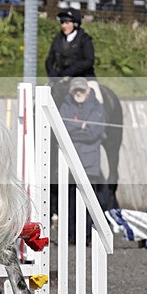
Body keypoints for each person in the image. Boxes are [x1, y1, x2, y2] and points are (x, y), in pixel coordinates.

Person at [60, 77, 107, 244]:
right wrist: (81, 125)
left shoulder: (97, 107)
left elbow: (93, 133)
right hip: (70, 162)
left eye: (81, 90)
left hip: (89, 164)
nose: (78, 93)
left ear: (87, 90)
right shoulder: (65, 106)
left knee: (89, 202)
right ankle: (71, 235)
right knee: (70, 201)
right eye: (75, 90)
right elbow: (61, 130)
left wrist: (73, 128)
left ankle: (88, 236)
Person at [45, 7, 102, 103]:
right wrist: (51, 72)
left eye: (67, 23)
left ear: (75, 24)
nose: (63, 26)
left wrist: (72, 70)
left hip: (84, 77)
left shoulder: (85, 39)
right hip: (61, 77)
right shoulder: (58, 39)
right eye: (62, 23)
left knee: (98, 99)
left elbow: (89, 61)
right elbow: (50, 58)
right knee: (43, 96)